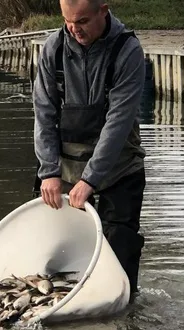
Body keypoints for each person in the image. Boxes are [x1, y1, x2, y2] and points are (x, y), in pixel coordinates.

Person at [32, 0, 147, 301]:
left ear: (103, 10)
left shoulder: (128, 50)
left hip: (118, 168)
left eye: (82, 20)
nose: (74, 29)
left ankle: (122, 309)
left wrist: (90, 180)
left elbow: (119, 123)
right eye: (68, 21)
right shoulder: (53, 49)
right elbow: (44, 114)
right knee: (55, 255)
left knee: (119, 250)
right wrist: (49, 172)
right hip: (64, 170)